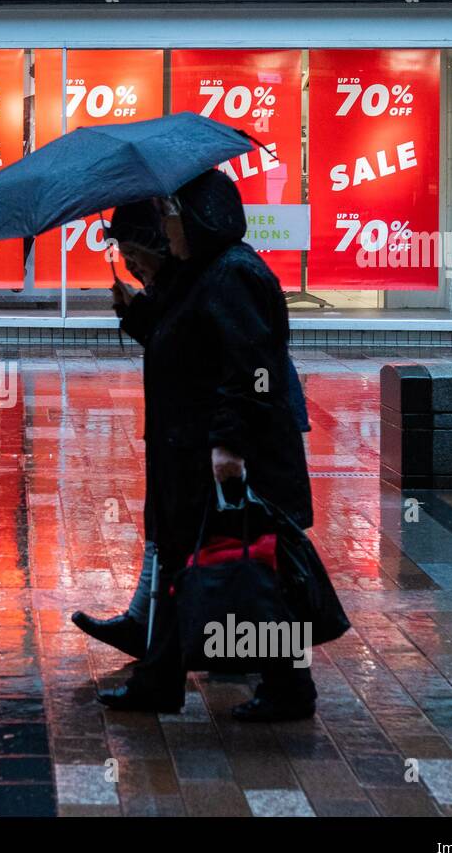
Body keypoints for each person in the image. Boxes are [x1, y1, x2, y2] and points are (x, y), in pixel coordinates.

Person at [91, 171, 316, 721]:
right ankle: (159, 681)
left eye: (171, 216)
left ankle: (289, 689)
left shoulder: (233, 274)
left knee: (258, 568)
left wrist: (229, 445)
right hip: (184, 450)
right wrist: (134, 310)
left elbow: (253, 370)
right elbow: (182, 345)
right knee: (178, 562)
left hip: (223, 456)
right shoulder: (199, 273)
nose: (166, 231)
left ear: (200, 216)